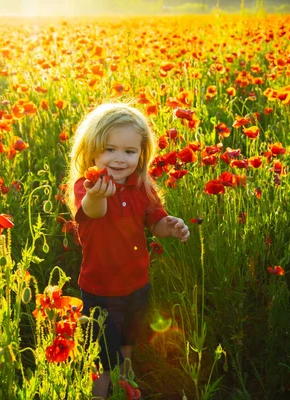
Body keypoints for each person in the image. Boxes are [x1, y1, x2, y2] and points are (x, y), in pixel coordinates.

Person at [65, 103, 189, 399]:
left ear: (141, 154)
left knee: (127, 341)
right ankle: (100, 393)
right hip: (100, 287)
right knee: (102, 352)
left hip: (136, 284)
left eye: (129, 152)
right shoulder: (88, 187)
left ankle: (127, 383)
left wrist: (168, 226)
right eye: (109, 149)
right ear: (92, 150)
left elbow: (154, 221)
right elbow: (92, 212)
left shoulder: (142, 187)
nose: (119, 159)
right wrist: (97, 194)